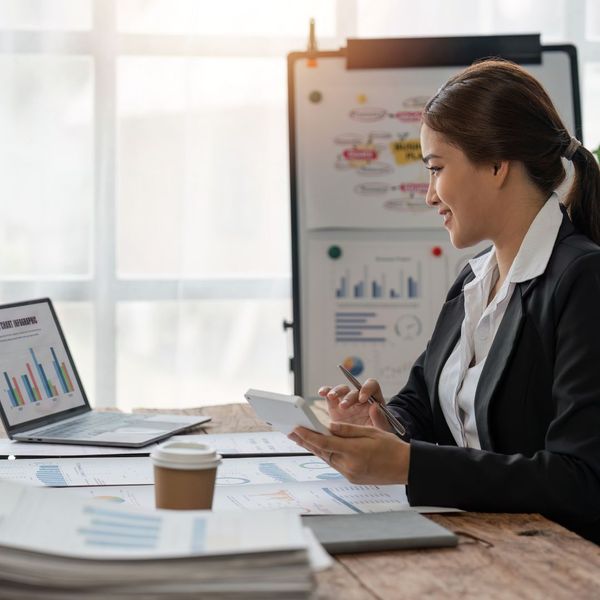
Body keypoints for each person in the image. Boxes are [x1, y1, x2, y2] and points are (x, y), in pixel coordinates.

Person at [288, 59, 600, 544]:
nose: (429, 194)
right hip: (480, 542)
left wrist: (412, 464)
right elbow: (428, 404)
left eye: (436, 169)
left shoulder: (582, 279)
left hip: (557, 562)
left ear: (498, 164)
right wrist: (385, 423)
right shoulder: (475, 276)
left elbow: (582, 478)